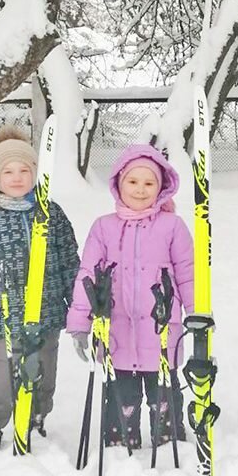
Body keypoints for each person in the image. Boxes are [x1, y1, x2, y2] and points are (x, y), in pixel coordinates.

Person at [66, 144, 194, 449]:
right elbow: (88, 275)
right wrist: (80, 323)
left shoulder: (172, 226)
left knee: (163, 388)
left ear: (162, 188)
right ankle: (121, 438)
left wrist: (198, 313)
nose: (140, 190)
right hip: (116, 328)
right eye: (132, 182)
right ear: (118, 184)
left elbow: (188, 273)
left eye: (149, 183)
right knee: (121, 388)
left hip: (161, 328)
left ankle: (168, 438)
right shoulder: (103, 228)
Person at [0, 125, 80, 449]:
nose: (16, 177)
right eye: (8, 171)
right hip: (5, 315)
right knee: (3, 374)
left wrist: (79, 305)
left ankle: (35, 416)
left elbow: (70, 260)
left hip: (48, 311)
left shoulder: (51, 214)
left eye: (24, 170)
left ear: (35, 174)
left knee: (44, 371)